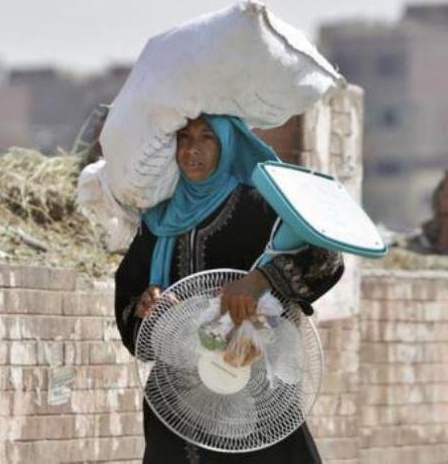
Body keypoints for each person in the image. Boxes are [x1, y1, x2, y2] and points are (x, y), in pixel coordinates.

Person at [114, 114, 344, 464]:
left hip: (256, 397)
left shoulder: (263, 207)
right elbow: (131, 293)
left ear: (228, 145)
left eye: (207, 138)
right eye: (184, 137)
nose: (192, 150)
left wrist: (261, 281)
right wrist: (147, 306)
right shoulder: (159, 221)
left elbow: (327, 257)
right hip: (178, 403)